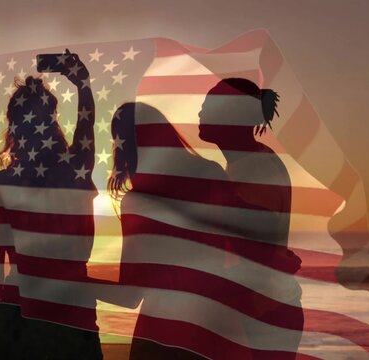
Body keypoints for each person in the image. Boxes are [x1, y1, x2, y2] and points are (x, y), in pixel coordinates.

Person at [0, 53, 102, 359]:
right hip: (72, 312)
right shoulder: (76, 168)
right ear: (52, 122)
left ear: (14, 128)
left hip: (22, 314)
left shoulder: (1, 184)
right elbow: (86, 125)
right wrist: (82, 82)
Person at [109, 102, 229, 359]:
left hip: (159, 333)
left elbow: (130, 295)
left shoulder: (138, 202)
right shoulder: (211, 173)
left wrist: (72, 278)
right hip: (211, 328)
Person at [198, 78, 303, 357]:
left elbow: (257, 251)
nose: (200, 113)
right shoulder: (253, 160)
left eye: (208, 106)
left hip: (262, 317)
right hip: (268, 310)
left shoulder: (254, 170)